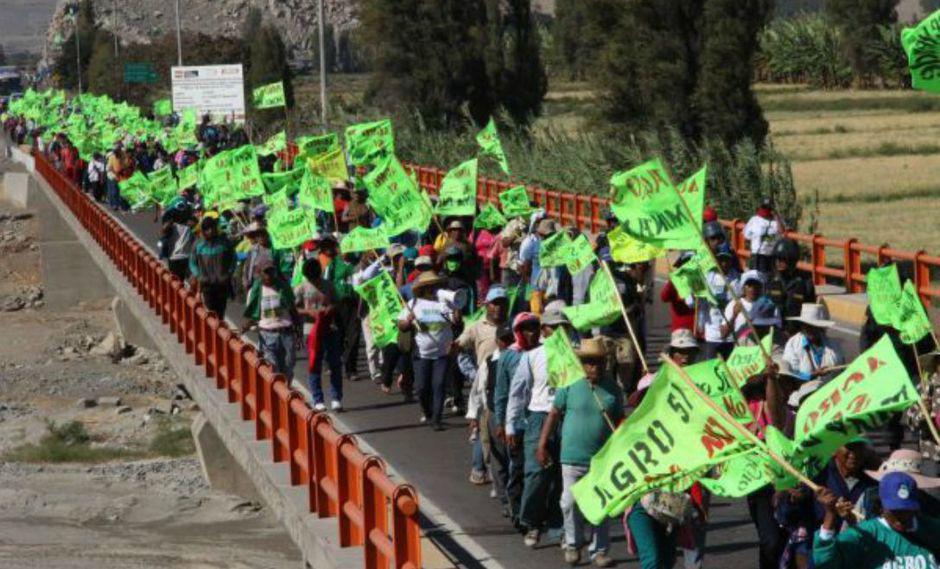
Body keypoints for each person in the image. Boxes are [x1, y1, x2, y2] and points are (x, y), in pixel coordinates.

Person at [537, 338, 622, 567]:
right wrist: (542, 444)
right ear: (581, 364)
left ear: (605, 363)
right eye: (588, 362)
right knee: (569, 502)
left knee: (601, 505)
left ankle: (599, 551)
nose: (593, 367)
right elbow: (554, 414)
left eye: (598, 362)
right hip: (571, 456)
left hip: (601, 459)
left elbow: (620, 423)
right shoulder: (570, 384)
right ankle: (573, 545)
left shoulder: (613, 390)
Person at [506, 303, 570, 548]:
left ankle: (558, 527)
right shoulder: (532, 356)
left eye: (563, 328)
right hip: (539, 417)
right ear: (544, 330)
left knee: (561, 477)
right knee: (536, 474)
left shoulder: (576, 355)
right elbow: (518, 392)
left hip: (566, 418)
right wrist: (511, 424)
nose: (559, 333)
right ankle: (531, 523)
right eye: (554, 328)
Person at [813, 472, 940, 568]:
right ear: (880, 507)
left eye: (907, 509)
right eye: (895, 511)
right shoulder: (864, 534)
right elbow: (826, 563)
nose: (903, 517)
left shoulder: (932, 528)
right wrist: (830, 514)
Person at [494, 312, 541, 525]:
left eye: (535, 328)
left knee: (539, 470)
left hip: (539, 420)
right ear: (518, 332)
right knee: (518, 468)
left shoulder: (544, 352)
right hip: (518, 423)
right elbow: (502, 393)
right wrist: (502, 422)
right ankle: (517, 511)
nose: (532, 333)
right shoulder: (508, 357)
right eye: (527, 329)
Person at [398, 271, 461, 431]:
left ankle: (437, 419)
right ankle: (428, 412)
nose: (433, 289)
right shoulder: (413, 304)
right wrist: (408, 321)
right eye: (429, 286)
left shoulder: (444, 305)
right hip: (422, 356)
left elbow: (455, 322)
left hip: (442, 354)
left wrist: (457, 306)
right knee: (421, 387)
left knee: (439, 385)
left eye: (435, 286)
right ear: (423, 289)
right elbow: (401, 327)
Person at [296, 257, 343, 411]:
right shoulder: (301, 288)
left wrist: (331, 308)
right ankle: (318, 399)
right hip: (311, 330)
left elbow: (337, 302)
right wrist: (308, 311)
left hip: (330, 327)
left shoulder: (328, 285)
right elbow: (293, 309)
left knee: (334, 363)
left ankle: (336, 398)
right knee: (314, 364)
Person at [242, 260, 301, 382]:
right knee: (273, 369)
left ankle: (286, 392)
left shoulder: (284, 288)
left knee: (288, 368)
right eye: (265, 273)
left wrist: (298, 333)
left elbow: (293, 310)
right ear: (260, 274)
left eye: (271, 272)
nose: (269, 276)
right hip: (267, 335)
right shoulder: (255, 291)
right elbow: (253, 314)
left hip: (286, 333)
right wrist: (247, 325)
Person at [783, 303, 845, 382]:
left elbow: (841, 371)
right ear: (802, 326)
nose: (810, 330)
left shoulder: (834, 345)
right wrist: (813, 375)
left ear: (820, 328)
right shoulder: (793, 345)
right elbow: (790, 375)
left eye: (814, 327)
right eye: (807, 326)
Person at [188, 216, 236, 317]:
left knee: (221, 313)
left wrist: (229, 273)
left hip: (222, 284)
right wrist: (198, 275)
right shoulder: (198, 245)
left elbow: (233, 259)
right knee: (210, 312)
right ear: (204, 230)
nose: (211, 231)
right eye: (208, 229)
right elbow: (192, 263)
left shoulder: (225, 243)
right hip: (207, 285)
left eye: (213, 228)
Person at [767, 239, 816, 329]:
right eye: (777, 258)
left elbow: (811, 314)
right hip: (774, 334)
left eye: (782, 259)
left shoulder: (805, 282)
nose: (778, 262)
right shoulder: (768, 281)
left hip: (796, 333)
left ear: (792, 260)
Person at [743, 198, 781, 275]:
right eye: (764, 207)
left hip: (771, 256)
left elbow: (782, 233)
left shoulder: (776, 221)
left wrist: (777, 217)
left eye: (768, 208)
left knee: (769, 279)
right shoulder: (754, 220)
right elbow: (746, 235)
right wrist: (756, 239)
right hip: (758, 255)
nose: (766, 210)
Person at [662, 252, 697, 332]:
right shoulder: (675, 282)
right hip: (681, 331)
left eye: (693, 262)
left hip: (700, 331)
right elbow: (664, 297)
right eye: (686, 263)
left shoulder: (702, 280)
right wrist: (672, 281)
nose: (690, 265)